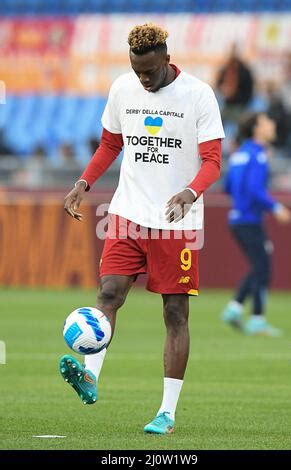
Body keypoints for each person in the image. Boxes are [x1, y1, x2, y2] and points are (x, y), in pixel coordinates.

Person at [60, 23, 224, 435]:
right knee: (109, 293)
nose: (143, 80)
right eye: (137, 71)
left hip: (175, 222)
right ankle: (90, 376)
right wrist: (83, 183)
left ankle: (167, 412)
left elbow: (212, 161)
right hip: (127, 213)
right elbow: (110, 144)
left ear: (167, 60)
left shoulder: (199, 95)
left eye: (149, 72)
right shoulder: (123, 89)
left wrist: (190, 192)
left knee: (174, 312)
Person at [221, 112, 291, 336]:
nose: (272, 124)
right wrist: (275, 207)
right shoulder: (258, 155)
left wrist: (242, 204)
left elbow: (228, 187)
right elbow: (255, 189)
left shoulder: (239, 154)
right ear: (257, 128)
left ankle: (242, 312)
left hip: (237, 218)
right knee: (263, 268)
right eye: (267, 121)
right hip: (249, 220)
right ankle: (250, 316)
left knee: (260, 266)